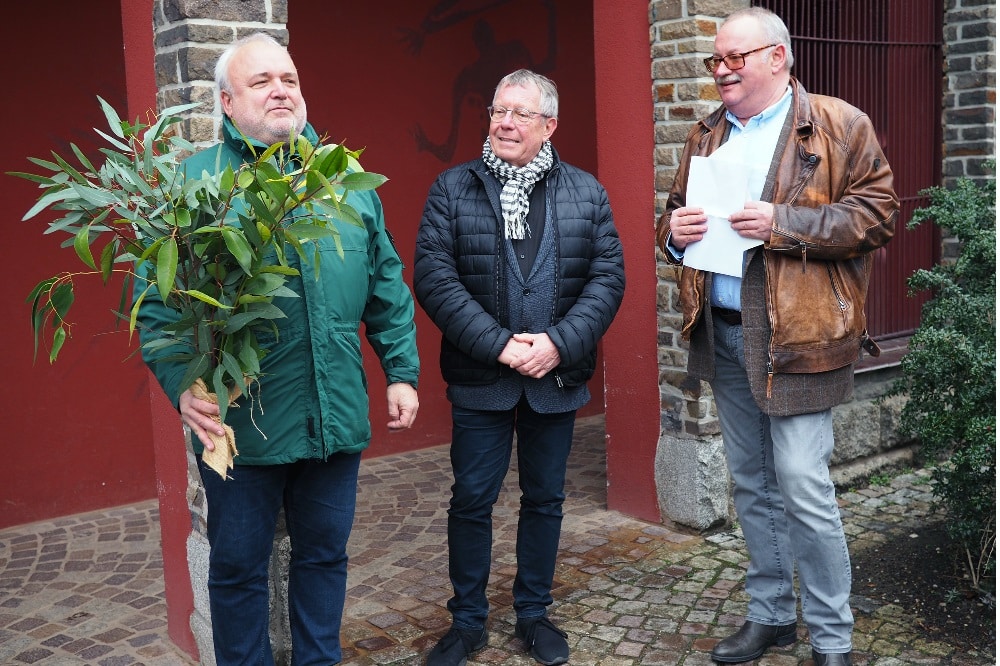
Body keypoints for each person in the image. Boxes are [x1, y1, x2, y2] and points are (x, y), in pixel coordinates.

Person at [137, 33, 420, 665]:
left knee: (325, 555)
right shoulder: (196, 185)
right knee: (238, 567)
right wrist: (184, 382)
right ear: (228, 103)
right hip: (243, 417)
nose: (280, 90)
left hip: (334, 409)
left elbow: (384, 280)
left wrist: (400, 371)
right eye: (261, 81)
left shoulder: (343, 177)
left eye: (288, 78)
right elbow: (157, 304)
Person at [655, 8, 897, 666]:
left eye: (736, 57)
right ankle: (771, 615)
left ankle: (832, 638)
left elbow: (879, 213)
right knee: (752, 481)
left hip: (802, 338)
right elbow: (673, 216)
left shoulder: (840, 123)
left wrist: (783, 221)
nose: (722, 70)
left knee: (801, 482)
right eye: (716, 60)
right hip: (726, 331)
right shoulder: (705, 133)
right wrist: (673, 236)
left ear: (777, 58)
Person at [413, 69, 625, 666]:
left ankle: (533, 615)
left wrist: (558, 343)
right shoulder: (452, 189)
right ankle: (468, 622)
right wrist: (500, 346)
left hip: (555, 380)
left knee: (545, 501)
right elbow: (434, 278)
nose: (504, 123)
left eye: (519, 114)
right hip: (481, 380)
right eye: (497, 111)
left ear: (549, 125)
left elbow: (607, 280)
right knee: (471, 501)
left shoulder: (587, 192)